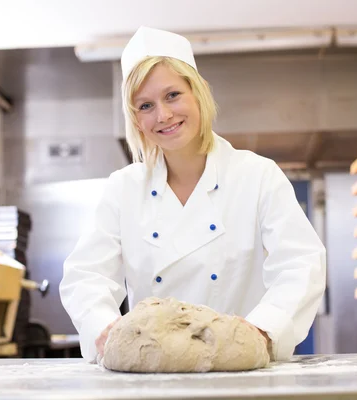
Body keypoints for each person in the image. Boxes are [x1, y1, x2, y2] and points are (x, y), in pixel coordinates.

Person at [59, 26, 326, 364]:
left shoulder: (257, 175)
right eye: (145, 105)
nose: (163, 115)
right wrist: (104, 330)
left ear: (197, 93)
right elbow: (86, 275)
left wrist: (262, 330)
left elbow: (300, 264)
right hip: (152, 373)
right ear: (136, 120)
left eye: (172, 95)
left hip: (239, 371)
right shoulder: (122, 188)